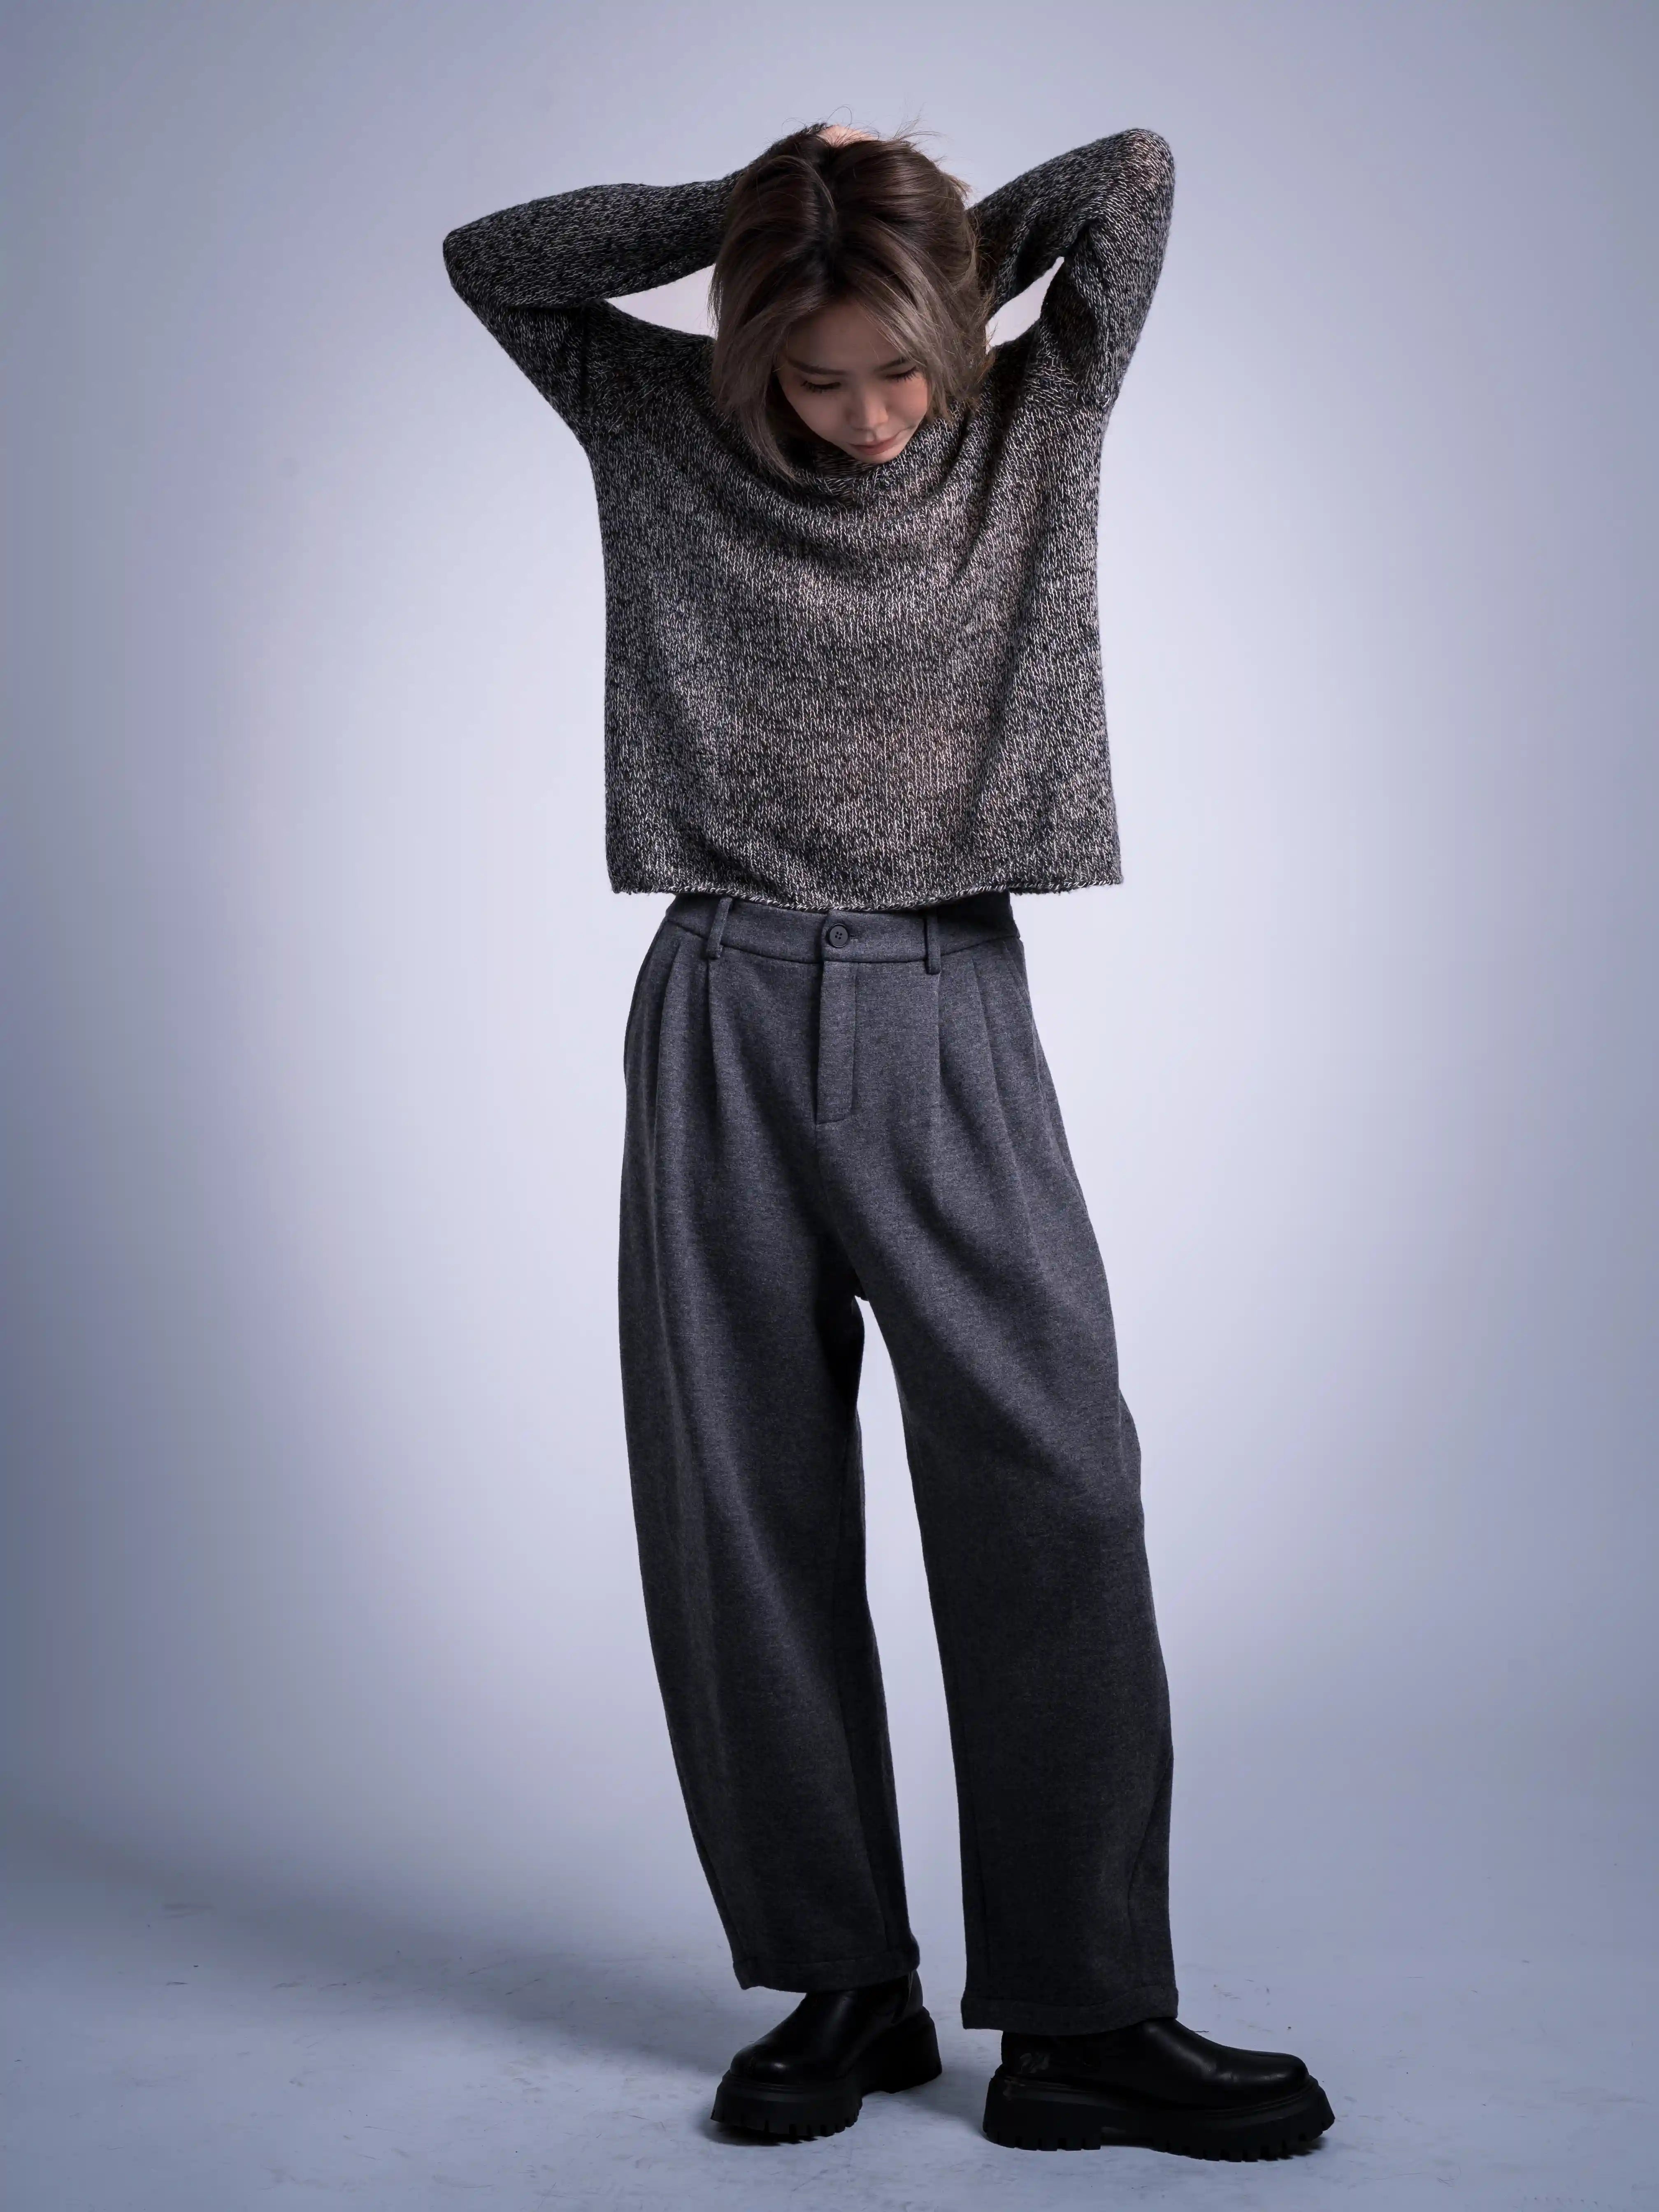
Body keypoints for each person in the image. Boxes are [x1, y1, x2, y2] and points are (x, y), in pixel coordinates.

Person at [442, 117, 1335, 2163]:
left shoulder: (1039, 412)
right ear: (749, 343)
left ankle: (1085, 2019)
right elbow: (496, 256)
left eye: (900, 369)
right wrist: (754, 214)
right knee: (741, 1504)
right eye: (819, 374)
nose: (865, 416)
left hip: (946, 992)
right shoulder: (659, 421)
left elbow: (1133, 178)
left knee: (1057, 1486)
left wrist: (905, 240)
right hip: (725, 993)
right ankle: (841, 1982)